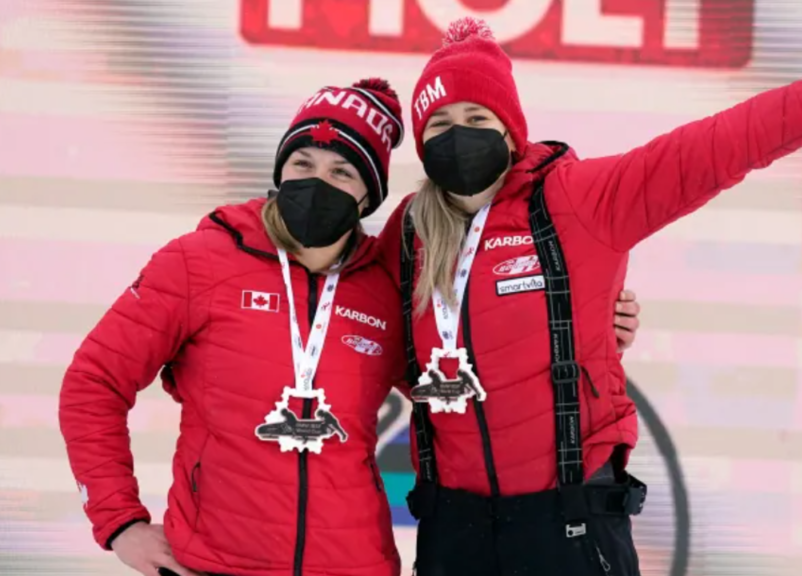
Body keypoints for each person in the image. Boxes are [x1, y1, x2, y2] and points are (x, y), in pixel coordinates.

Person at [377, 9, 802, 576]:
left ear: (511, 129)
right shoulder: (407, 235)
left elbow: (737, 138)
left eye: (476, 118)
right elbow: (353, 339)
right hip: (451, 536)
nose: (458, 137)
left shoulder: (581, 200)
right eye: (441, 125)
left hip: (568, 528)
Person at [58, 78, 644, 576]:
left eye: (343, 171)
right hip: (216, 561)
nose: (319, 181)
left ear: (368, 195)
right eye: (302, 163)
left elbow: (464, 384)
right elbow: (93, 382)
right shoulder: (199, 263)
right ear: (279, 169)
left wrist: (580, 328)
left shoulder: (385, 283)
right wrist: (120, 523)